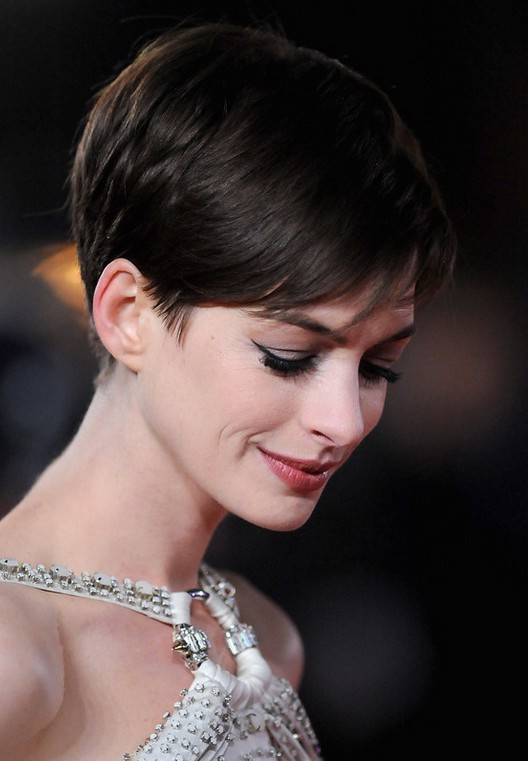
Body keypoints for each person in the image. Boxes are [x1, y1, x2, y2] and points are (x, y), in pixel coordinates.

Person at [0, 22, 455, 761]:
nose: (344, 421)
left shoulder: (267, 642)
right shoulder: (16, 654)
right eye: (288, 356)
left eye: (378, 366)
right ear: (129, 314)